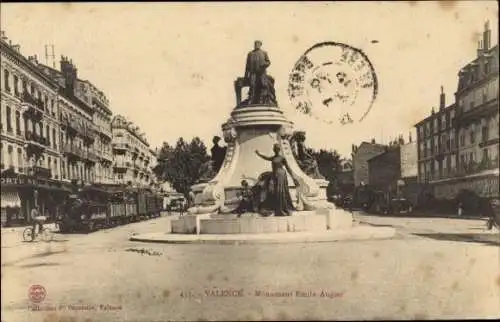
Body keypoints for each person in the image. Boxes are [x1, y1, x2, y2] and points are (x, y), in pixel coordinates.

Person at [255, 143, 298, 216]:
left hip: (281, 175)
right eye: (275, 149)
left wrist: (293, 177)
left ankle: (282, 208)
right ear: (274, 150)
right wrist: (258, 154)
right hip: (275, 175)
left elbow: (288, 168)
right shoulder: (273, 158)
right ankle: (278, 207)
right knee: (276, 191)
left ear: (279, 150)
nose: (276, 150)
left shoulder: (282, 158)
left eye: (277, 149)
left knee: (280, 191)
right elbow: (266, 158)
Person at [245, 40, 272, 105]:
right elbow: (247, 65)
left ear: (260, 45)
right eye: (255, 44)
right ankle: (251, 100)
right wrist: (246, 75)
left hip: (261, 72)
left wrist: (264, 64)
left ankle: (261, 100)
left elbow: (268, 62)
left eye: (258, 44)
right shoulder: (250, 54)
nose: (256, 45)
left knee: (262, 85)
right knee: (252, 85)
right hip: (253, 72)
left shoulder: (264, 53)